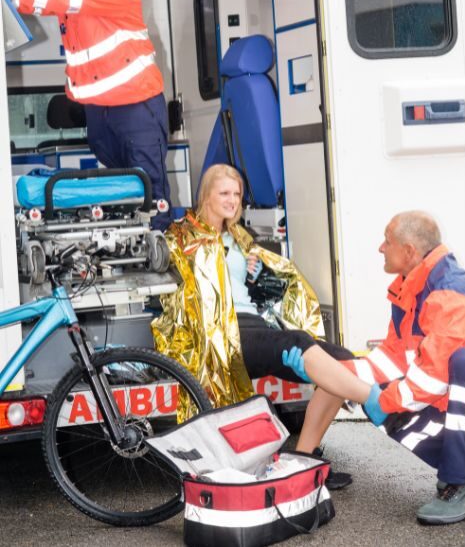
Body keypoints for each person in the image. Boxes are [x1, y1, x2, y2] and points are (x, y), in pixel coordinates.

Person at [151, 163, 376, 488]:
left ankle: (304, 461)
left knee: (340, 360)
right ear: (207, 194)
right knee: (298, 342)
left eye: (237, 194)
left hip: (255, 325)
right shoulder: (181, 235)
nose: (231, 200)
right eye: (224, 193)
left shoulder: (242, 238)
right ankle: (374, 399)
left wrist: (262, 277)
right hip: (219, 337)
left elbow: (263, 293)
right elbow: (176, 295)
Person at [282, 211, 465, 525]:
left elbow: (431, 380)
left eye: (387, 241)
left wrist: (380, 400)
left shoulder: (448, 292)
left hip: (442, 389)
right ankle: (301, 467)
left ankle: (459, 481)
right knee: (353, 386)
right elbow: (392, 358)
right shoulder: (413, 285)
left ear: (409, 251)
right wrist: (336, 373)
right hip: (432, 390)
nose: (381, 248)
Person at [3, 0, 171, 230]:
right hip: (99, 113)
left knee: (151, 196)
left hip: (136, 108)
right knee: (117, 199)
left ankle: (168, 270)